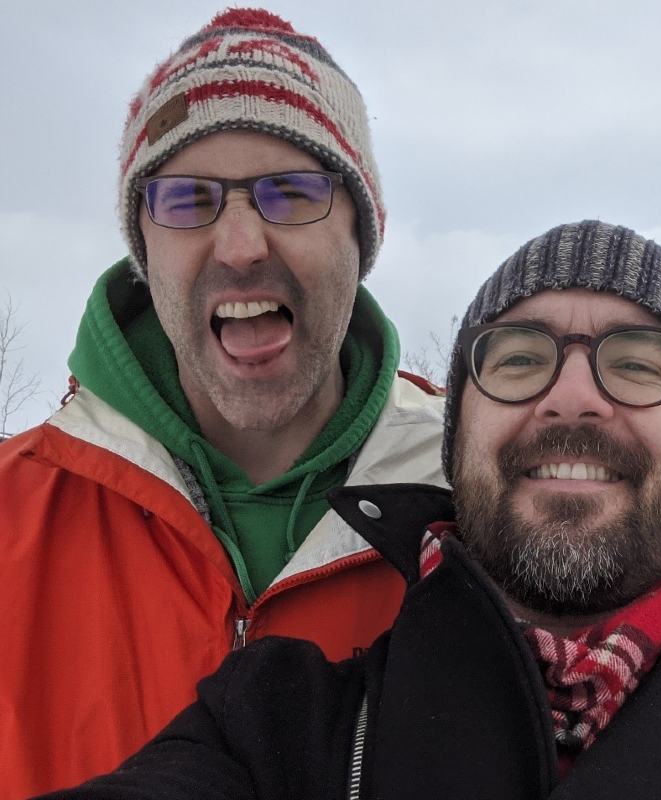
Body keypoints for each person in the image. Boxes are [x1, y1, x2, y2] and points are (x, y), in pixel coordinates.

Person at [41, 220, 661, 800]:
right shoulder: (277, 728)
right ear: (457, 444)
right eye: (520, 358)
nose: (572, 398)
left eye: (640, 363)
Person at [0, 9, 445, 796]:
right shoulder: (12, 517)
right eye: (187, 199)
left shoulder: (483, 513)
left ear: (360, 232)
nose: (241, 246)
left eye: (290, 191)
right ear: (145, 245)